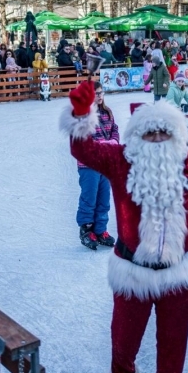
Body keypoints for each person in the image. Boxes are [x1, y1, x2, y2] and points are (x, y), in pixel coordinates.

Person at [61, 81, 188, 373]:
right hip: (133, 272)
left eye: (163, 134)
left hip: (177, 274)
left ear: (175, 135)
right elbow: (84, 151)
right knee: (123, 338)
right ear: (137, 135)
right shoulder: (119, 160)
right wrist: (82, 114)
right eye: (149, 134)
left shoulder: (187, 164)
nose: (156, 140)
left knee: (173, 342)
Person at [75, 82, 119, 251]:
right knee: (89, 198)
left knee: (104, 199)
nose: (99, 96)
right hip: (88, 165)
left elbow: (114, 129)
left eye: (101, 93)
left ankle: (100, 229)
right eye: (96, 94)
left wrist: (114, 141)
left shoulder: (107, 112)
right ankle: (86, 231)